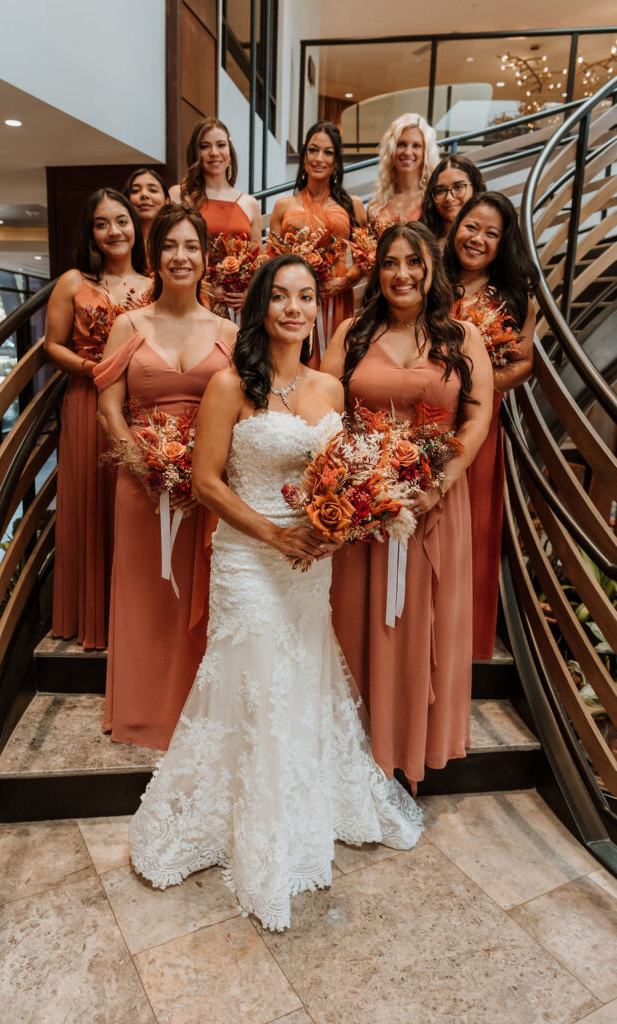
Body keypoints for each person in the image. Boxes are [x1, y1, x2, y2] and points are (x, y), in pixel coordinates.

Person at [128, 254, 423, 931]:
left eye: (304, 297)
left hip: (310, 563)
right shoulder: (232, 384)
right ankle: (258, 841)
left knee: (300, 679)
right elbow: (206, 482)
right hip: (247, 559)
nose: (293, 308)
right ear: (259, 306)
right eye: (280, 296)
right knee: (257, 678)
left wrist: (340, 526)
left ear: (315, 308)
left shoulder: (330, 388)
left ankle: (304, 807)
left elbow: (342, 478)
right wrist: (273, 534)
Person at [321, 222, 493, 792]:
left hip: (433, 504)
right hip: (362, 505)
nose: (401, 274)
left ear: (431, 270)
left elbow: (476, 418)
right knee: (355, 618)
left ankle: (411, 749)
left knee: (423, 623)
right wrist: (350, 476)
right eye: (390, 263)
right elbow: (321, 409)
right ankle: (355, 753)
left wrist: (439, 483)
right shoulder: (351, 331)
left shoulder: (462, 337)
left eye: (413, 262)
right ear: (378, 272)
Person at [95, 204, 236, 748]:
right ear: (155, 257)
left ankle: (194, 713)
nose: (181, 256)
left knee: (199, 597)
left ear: (206, 257)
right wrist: (147, 468)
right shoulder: (129, 325)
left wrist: (197, 474)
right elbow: (110, 406)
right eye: (170, 246)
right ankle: (139, 713)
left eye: (191, 247)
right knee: (144, 594)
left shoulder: (227, 330)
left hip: (205, 487)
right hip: (139, 483)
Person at [46, 188, 151, 650]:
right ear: (91, 232)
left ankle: (135, 612)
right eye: (103, 223)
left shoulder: (153, 284)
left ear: (136, 226)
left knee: (132, 498)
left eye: (122, 220)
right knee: (91, 499)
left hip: (140, 405)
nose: (115, 231)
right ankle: (90, 616)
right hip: (88, 399)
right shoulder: (73, 281)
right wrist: (96, 369)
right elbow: (51, 346)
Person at [444, 192, 537, 660]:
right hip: (429, 418)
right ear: (456, 226)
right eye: (471, 227)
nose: (477, 239)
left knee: (474, 531)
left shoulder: (515, 296)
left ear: (503, 244)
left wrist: (477, 386)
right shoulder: (432, 280)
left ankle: (465, 643)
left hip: (482, 421)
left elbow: (523, 363)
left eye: (491, 233)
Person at [269, 121, 366, 367]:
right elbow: (271, 259)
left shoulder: (352, 205)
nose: (319, 158)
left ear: (336, 161)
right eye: (313, 150)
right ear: (304, 157)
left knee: (334, 363)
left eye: (328, 152)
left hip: (336, 298)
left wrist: (345, 281)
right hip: (294, 300)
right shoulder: (283, 206)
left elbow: (364, 259)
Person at [170, 117, 262, 316]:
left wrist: (248, 294)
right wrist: (206, 289)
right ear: (197, 153)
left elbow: (257, 262)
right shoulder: (180, 196)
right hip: (194, 302)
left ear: (229, 152)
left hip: (240, 309)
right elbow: (170, 252)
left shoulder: (249, 203)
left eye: (221, 145)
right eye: (205, 146)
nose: (214, 152)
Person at [367, 114, 439, 233]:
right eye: (402, 144)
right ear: (391, 149)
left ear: (425, 152)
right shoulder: (376, 205)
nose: (408, 152)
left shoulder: (434, 200)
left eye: (416, 146)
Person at [420, 155, 486, 248]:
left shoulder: (489, 238)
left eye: (458, 187)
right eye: (440, 190)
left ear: (475, 188)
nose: (449, 198)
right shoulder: (422, 241)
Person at [122, 167, 170, 245]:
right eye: (136, 190)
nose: (144, 194)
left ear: (167, 201)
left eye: (153, 190)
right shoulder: (120, 238)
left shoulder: (176, 235)